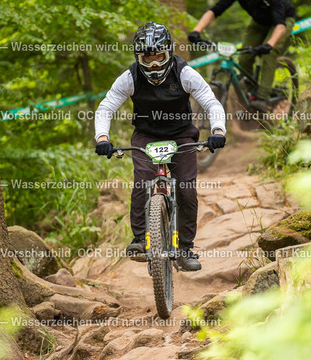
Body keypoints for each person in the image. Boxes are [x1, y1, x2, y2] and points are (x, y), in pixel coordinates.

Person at [94, 22, 226, 271]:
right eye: (147, 58)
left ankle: (185, 248)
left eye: (159, 57)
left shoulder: (185, 73)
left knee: (186, 188)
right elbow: (106, 107)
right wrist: (102, 138)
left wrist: (218, 131)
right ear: (138, 57)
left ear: (169, 53)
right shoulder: (130, 77)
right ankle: (139, 239)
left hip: (181, 135)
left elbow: (211, 102)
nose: (154, 64)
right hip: (146, 136)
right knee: (143, 181)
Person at [188, 0, 297, 103]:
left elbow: (280, 25)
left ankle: (262, 98)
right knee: (244, 56)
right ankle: (250, 92)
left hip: (282, 20)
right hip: (259, 21)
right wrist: (196, 30)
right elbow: (215, 10)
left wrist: (269, 45)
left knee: (269, 54)